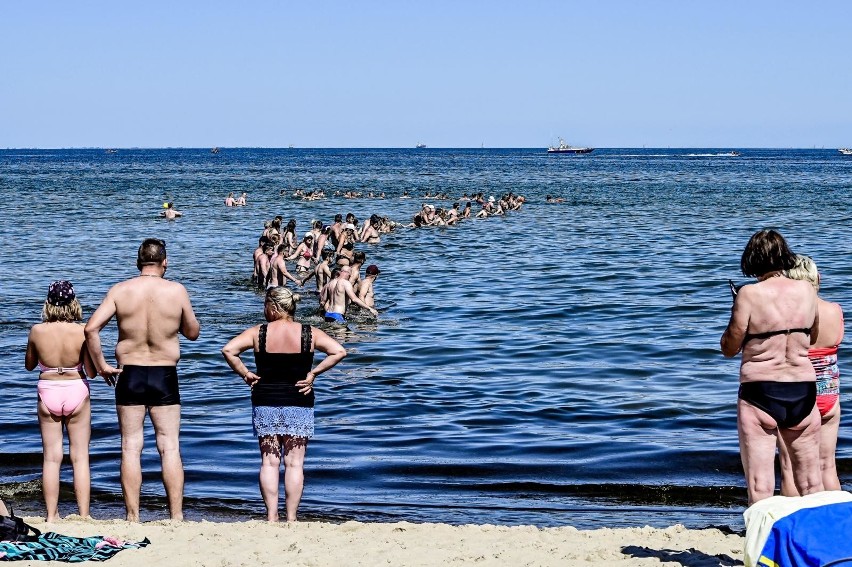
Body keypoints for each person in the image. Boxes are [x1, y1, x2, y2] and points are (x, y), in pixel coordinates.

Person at [84, 238, 201, 521]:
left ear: (138, 263)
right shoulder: (176, 290)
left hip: (129, 373)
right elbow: (193, 332)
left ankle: (132, 517)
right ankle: (176, 517)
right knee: (169, 445)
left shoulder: (120, 290)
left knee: (130, 445)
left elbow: (90, 329)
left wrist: (101, 367)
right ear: (165, 262)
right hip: (164, 373)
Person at [221, 287, 347, 522]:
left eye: (265, 306)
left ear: (273, 307)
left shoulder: (259, 333)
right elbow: (339, 351)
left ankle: (271, 516)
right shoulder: (309, 332)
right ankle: (291, 517)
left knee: (269, 462)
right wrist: (313, 374)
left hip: (265, 399)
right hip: (299, 399)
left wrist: (246, 374)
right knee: (294, 463)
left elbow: (229, 350)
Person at [720, 229, 822, 505]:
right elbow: (811, 337)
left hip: (760, 389)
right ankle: (810, 544)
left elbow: (729, 348)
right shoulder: (807, 290)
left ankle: (763, 546)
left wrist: (737, 315)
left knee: (760, 484)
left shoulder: (749, 294)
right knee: (812, 481)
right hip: (803, 387)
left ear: (752, 259)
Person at [25, 281, 98, 521]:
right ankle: (84, 514)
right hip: (76, 387)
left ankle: (51, 515)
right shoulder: (83, 330)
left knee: (51, 457)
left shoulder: (37, 331)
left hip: (48, 389)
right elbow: (91, 370)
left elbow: (29, 365)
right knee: (80, 456)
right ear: (73, 303)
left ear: (48, 303)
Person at [778, 255, 844, 494]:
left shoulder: (789, 318)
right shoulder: (835, 310)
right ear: (819, 278)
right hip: (830, 396)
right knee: (827, 465)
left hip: (800, 396)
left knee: (790, 467)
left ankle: (794, 522)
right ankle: (836, 523)